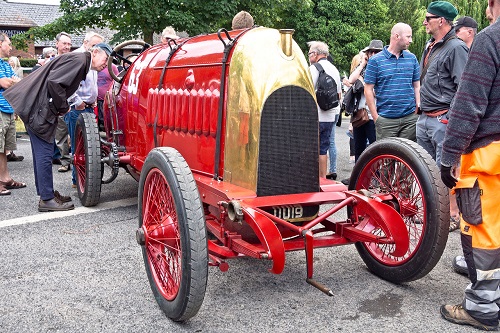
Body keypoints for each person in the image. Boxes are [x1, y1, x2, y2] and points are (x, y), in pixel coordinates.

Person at [439, 0, 500, 329]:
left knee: (481, 234)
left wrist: (449, 156)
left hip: (489, 157)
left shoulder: (491, 39)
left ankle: (482, 308)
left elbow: (469, 103)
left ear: (492, 4)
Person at [4, 43, 112, 211]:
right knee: (45, 155)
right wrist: (64, 107)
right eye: (106, 59)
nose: (107, 64)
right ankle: (46, 199)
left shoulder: (80, 60)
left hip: (37, 107)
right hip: (38, 109)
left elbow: (54, 80)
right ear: (95, 52)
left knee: (43, 153)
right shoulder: (80, 60)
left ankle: (47, 194)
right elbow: (55, 82)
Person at [417, 1, 468, 233]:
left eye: (428, 18)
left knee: (446, 171)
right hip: (425, 118)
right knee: (426, 171)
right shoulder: (430, 44)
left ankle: (453, 215)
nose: (425, 21)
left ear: (442, 21)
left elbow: (463, 88)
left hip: (442, 120)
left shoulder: (457, 48)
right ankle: (433, 214)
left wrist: (451, 118)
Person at [364, 23, 420, 141]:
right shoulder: (375, 61)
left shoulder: (412, 58)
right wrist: (376, 118)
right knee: (387, 158)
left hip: (410, 119)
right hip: (386, 120)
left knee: (407, 158)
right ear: (397, 36)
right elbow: (368, 89)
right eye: (408, 37)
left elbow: (416, 86)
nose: (411, 40)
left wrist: (417, 110)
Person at [64, 32, 104, 184]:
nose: (96, 49)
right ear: (85, 42)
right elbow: (68, 84)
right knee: (78, 147)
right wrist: (77, 101)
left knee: (89, 147)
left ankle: (86, 179)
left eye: (98, 47)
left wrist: (92, 100)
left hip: (88, 107)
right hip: (77, 108)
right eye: (94, 46)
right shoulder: (77, 57)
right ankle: (77, 180)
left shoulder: (92, 60)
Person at [307, 41, 342, 179]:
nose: (309, 56)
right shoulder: (334, 69)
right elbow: (339, 94)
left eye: (310, 53)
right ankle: (322, 179)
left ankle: (312, 179)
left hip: (315, 116)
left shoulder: (314, 68)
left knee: (312, 149)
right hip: (330, 116)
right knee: (323, 149)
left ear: (315, 54)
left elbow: (306, 92)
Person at [0, 33, 25, 196]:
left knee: (3, 149)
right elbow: (7, 83)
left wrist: (13, 81)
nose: (11, 47)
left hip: (8, 109)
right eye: (8, 44)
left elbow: (19, 81)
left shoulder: (5, 65)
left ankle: (5, 178)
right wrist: (12, 81)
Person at [349, 40, 381, 161]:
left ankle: (375, 176)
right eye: (370, 52)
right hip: (360, 113)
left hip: (374, 113)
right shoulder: (364, 67)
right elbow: (351, 79)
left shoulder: (382, 67)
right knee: (359, 148)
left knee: (374, 147)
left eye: (376, 52)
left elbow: (376, 92)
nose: (372, 55)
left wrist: (364, 85)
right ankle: (359, 176)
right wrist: (362, 64)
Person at [53, 32, 73, 169]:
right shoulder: (52, 63)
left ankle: (80, 164)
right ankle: (65, 162)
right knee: (60, 135)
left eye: (69, 44)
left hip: (74, 103)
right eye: (64, 43)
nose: (67, 46)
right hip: (59, 104)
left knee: (76, 134)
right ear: (57, 44)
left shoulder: (74, 60)